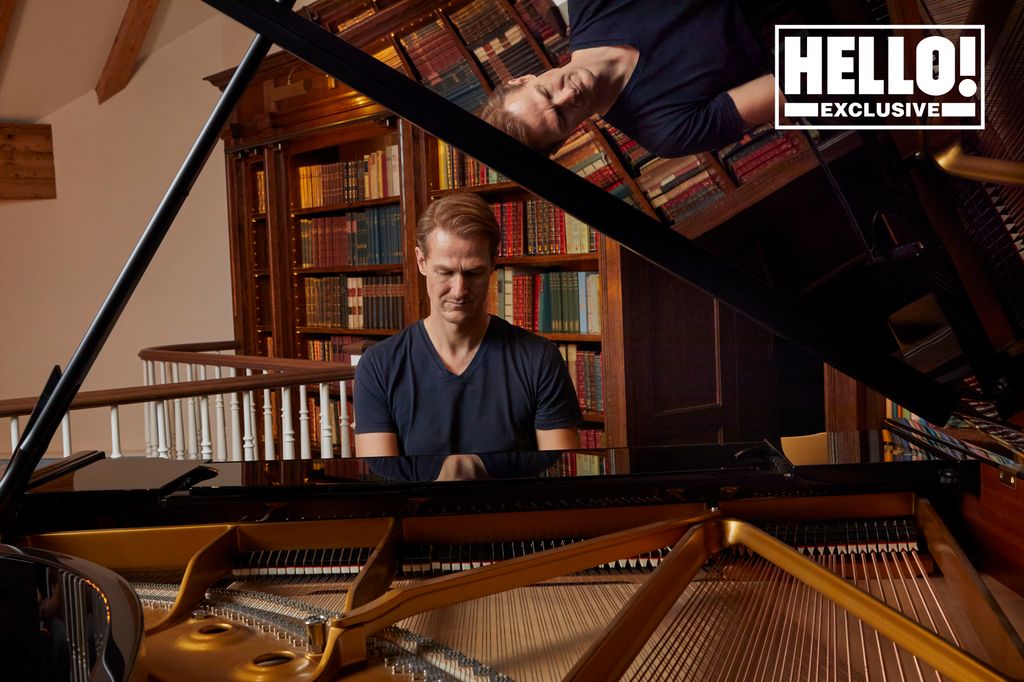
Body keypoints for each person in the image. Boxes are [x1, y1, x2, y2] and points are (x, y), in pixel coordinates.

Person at [354, 192, 581, 477]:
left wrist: (472, 466)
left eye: (473, 273)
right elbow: (380, 474)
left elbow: (561, 467)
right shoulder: (378, 365)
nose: (459, 290)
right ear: (421, 261)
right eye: (445, 272)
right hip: (416, 519)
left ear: (493, 263)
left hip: (515, 517)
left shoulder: (539, 357)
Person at [479, 0, 776, 157]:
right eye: (560, 117)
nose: (568, 96)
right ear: (566, 137)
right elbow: (802, 85)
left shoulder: (589, 5)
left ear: (523, 78)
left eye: (546, 93)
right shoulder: (666, 133)